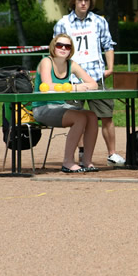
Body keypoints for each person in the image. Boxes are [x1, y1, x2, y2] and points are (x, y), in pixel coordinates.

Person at [53, 0, 125, 167]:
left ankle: (112, 154)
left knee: (106, 116)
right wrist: (60, 74)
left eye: (86, 0)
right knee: (77, 117)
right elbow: (56, 51)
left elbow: (108, 45)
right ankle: (82, 152)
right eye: (80, 0)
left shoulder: (99, 21)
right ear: (74, 2)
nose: (83, 3)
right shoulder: (63, 23)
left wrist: (110, 68)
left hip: (96, 77)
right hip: (73, 80)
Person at [32, 34, 99, 173]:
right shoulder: (46, 62)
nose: (63, 48)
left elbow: (94, 84)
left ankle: (87, 161)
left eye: (67, 46)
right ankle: (68, 162)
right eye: (59, 45)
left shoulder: (71, 64)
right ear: (53, 47)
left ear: (71, 50)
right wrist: (74, 87)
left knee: (92, 116)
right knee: (79, 117)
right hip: (42, 108)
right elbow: (47, 86)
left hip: (61, 107)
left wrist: (82, 86)